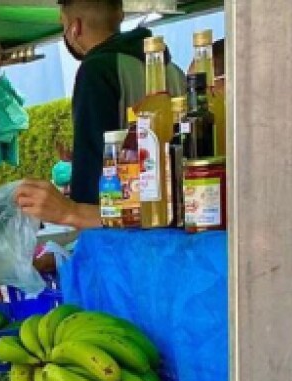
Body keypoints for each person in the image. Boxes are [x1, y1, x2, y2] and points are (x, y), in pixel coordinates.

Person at [15, 0, 184, 228]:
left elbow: (94, 175)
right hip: (177, 217)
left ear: (74, 28)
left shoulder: (96, 69)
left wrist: (73, 212)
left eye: (63, 25)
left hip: (125, 233)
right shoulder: (173, 71)